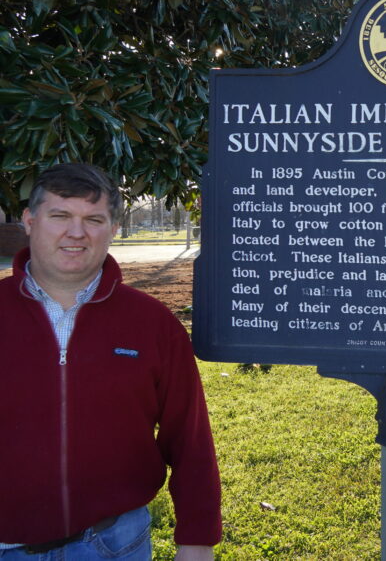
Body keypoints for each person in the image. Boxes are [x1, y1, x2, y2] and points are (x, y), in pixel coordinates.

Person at [0, 163, 221, 560]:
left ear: (113, 228)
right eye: (60, 216)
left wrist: (197, 539)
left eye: (94, 219)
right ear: (30, 221)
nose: (76, 232)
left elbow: (189, 438)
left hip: (115, 543)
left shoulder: (153, 323)